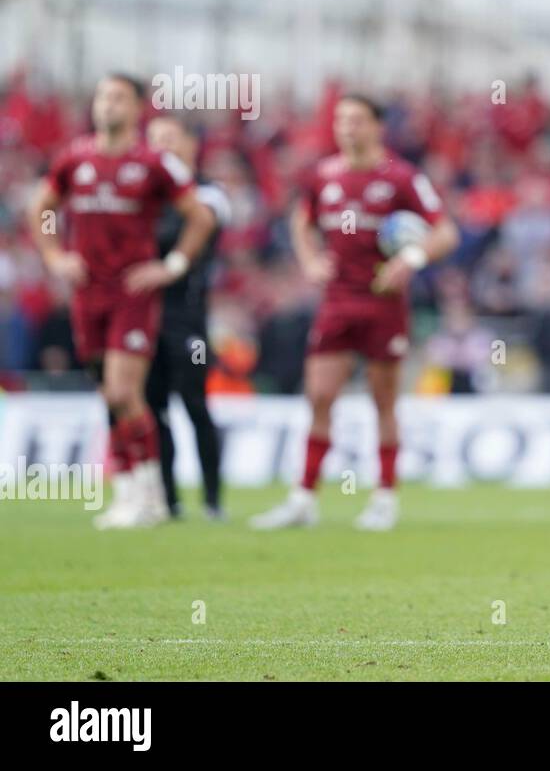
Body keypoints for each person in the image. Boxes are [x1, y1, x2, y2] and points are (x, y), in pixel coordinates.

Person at [250, 94, 459, 532]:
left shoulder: (401, 178)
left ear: (377, 127)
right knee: (320, 396)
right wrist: (309, 261)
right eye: (343, 120)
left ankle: (384, 497)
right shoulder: (324, 176)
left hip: (383, 303)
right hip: (338, 301)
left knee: (383, 400)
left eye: (358, 120)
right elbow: (300, 220)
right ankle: (303, 498)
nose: (348, 128)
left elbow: (445, 233)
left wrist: (410, 261)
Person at [25, 73, 216, 529]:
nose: (107, 105)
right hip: (87, 294)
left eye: (117, 98)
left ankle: (147, 493)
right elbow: (42, 208)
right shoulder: (75, 158)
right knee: (109, 395)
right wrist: (55, 255)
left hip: (131, 294)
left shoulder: (153, 164)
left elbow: (200, 218)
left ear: (136, 109)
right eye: (102, 96)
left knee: (123, 391)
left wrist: (170, 266)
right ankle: (131, 490)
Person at [144, 116, 231, 520]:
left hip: (189, 322)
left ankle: (212, 501)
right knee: (153, 407)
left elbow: (203, 226)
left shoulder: (208, 194)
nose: (163, 147)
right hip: (144, 318)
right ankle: (168, 500)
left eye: (171, 138)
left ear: (191, 146)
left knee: (196, 403)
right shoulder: (142, 194)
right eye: (155, 140)